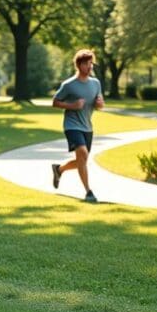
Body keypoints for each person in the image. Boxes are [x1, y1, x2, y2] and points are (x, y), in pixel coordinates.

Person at [51, 49, 105, 202]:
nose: (90, 67)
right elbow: (55, 102)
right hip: (72, 126)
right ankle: (88, 192)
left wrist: (100, 104)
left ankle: (59, 169)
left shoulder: (96, 83)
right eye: (87, 64)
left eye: (91, 64)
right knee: (83, 153)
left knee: (82, 161)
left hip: (87, 126)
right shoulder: (69, 85)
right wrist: (72, 105)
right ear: (79, 65)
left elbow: (99, 104)